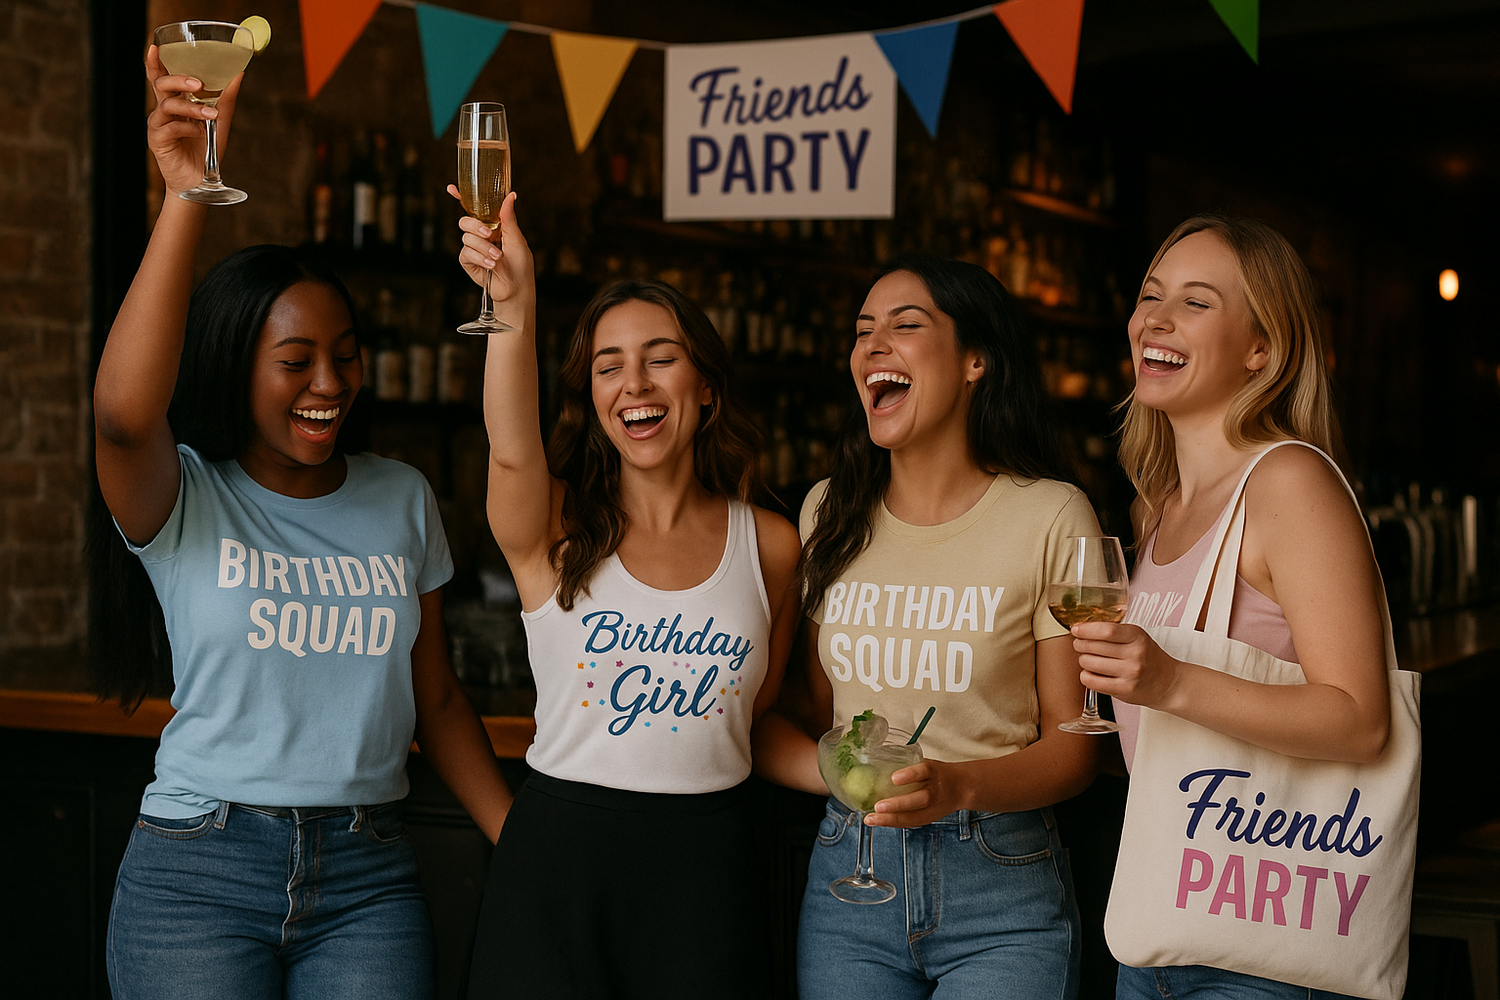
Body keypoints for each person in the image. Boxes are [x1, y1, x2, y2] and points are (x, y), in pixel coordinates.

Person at [92, 49, 511, 1000]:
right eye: (297, 360)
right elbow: (122, 413)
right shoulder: (183, 494)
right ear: (238, 363)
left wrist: (517, 841)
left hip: (365, 877)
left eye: (346, 357)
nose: (331, 384)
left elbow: (437, 699)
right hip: (198, 870)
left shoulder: (400, 495)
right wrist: (188, 196)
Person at [452, 189, 802, 999]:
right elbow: (510, 452)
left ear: (705, 385)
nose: (634, 383)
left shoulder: (773, 546)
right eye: (609, 365)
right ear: (592, 398)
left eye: (661, 357)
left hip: (708, 874)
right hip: (558, 869)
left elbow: (760, 716)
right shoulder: (553, 526)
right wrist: (514, 301)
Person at [755, 254, 1101, 1000]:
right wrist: (840, 775)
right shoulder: (827, 512)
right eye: (862, 332)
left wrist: (957, 784)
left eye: (906, 326)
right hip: (852, 872)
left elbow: (1074, 746)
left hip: (1001, 885)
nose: (873, 345)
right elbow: (812, 719)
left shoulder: (1051, 514)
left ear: (976, 360)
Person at [1070, 213, 1391, 1000]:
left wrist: (1170, 683)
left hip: (1267, 927)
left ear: (1263, 349)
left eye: (1196, 302)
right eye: (1151, 295)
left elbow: (1360, 718)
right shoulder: (1161, 505)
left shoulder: (1289, 483)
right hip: (1162, 909)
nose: (1157, 318)